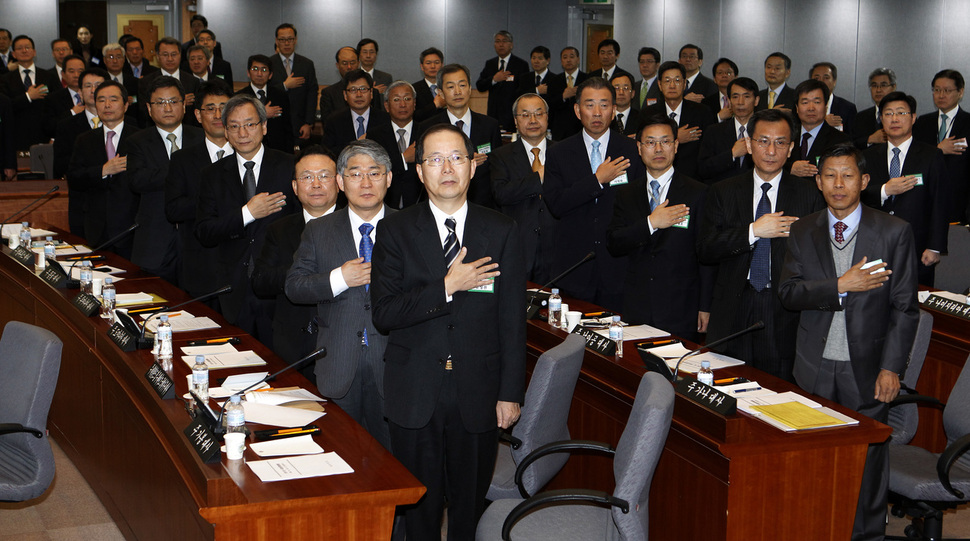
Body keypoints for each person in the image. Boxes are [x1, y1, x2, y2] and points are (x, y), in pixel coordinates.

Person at [371, 123, 524, 540]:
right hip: (415, 386)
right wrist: (446, 286)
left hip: (478, 389)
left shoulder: (501, 229)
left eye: (457, 157)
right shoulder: (396, 230)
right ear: (419, 172)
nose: (447, 168)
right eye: (435, 159)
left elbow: (512, 320)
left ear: (473, 166)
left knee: (468, 505)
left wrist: (510, 392)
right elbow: (384, 313)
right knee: (419, 507)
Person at [779, 143, 918, 541]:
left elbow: (905, 308)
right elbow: (788, 293)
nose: (839, 184)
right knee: (813, 459)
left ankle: (866, 535)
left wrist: (892, 368)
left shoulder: (894, 232)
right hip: (813, 364)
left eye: (848, 175)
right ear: (818, 182)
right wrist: (840, 285)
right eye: (830, 176)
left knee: (867, 463)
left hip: (869, 367)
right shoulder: (804, 229)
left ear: (865, 181)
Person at [698, 108, 824, 381]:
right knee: (725, 386)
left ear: (791, 148)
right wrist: (754, 231)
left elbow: (817, 259)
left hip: (781, 308)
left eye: (780, 143)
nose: (770, 150)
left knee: (776, 390)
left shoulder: (809, 195)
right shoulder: (723, 191)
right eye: (763, 141)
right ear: (749, 144)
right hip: (733, 305)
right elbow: (706, 248)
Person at [285, 140, 393, 448]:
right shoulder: (319, 230)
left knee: (391, 462)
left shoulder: (410, 226)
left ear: (389, 178)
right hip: (338, 365)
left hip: (394, 365)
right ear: (341, 182)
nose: (366, 182)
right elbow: (294, 286)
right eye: (356, 174)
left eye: (375, 173)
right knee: (340, 457)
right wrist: (338, 278)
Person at [195, 94, 296, 343]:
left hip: (279, 285)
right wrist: (247, 214)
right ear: (226, 132)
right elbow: (204, 232)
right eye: (234, 126)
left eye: (250, 124)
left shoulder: (290, 166)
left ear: (263, 126)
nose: (243, 133)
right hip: (232, 288)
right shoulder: (212, 175)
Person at [608, 114, 713, 341]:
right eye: (650, 142)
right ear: (639, 148)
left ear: (676, 146)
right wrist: (650, 223)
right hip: (637, 305)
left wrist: (705, 305)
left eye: (665, 141)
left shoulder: (697, 192)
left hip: (682, 307)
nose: (658, 149)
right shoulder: (626, 193)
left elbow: (706, 254)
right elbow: (614, 243)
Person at [544, 77, 645, 311]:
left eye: (604, 105)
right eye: (590, 105)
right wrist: (597, 180)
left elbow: (640, 208)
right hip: (574, 267)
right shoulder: (559, 152)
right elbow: (556, 204)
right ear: (578, 111)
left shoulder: (632, 151)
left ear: (614, 110)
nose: (597, 112)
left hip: (619, 268)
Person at [256, 145, 340, 376]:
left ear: (339, 182)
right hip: (292, 345)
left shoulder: (358, 226)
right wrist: (305, 273)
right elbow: (261, 281)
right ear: (295, 186)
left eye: (324, 176)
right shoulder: (279, 229)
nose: (315, 184)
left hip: (343, 345)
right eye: (306, 177)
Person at [861, 91, 948, 287]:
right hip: (874, 245)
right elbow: (857, 195)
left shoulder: (931, 155)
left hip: (917, 246)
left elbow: (940, 203)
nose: (895, 119)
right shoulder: (867, 156)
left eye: (901, 113)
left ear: (913, 118)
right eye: (888, 114)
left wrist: (935, 246)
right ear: (881, 119)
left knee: (913, 304)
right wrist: (885, 190)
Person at [127, 76, 203, 283]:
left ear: (184, 106)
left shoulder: (202, 138)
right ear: (149, 109)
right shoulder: (137, 142)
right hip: (155, 241)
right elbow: (137, 179)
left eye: (173, 101)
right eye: (160, 103)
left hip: (197, 239)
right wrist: (183, 171)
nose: (167, 108)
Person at [165, 82, 234, 303]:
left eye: (224, 107)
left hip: (241, 264)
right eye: (210, 108)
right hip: (201, 264)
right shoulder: (182, 159)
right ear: (197, 114)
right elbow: (173, 209)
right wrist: (213, 201)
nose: (217, 114)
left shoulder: (248, 155)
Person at [67, 80, 139, 258]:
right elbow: (74, 178)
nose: (107, 105)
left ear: (126, 105)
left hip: (132, 228)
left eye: (113, 99)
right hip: (96, 228)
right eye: (101, 100)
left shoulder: (140, 138)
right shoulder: (84, 140)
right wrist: (102, 171)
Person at [491, 93, 558, 283]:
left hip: (557, 246)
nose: (533, 120)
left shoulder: (564, 152)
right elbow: (502, 194)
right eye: (525, 115)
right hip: (518, 245)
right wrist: (539, 177)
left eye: (538, 113)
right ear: (515, 121)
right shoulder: (500, 156)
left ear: (547, 117)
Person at [416, 63, 501, 208]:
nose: (457, 91)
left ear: (469, 89)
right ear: (441, 93)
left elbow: (498, 169)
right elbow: (423, 169)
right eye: (450, 87)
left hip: (483, 204)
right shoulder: (428, 128)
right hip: (442, 203)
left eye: (462, 85)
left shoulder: (489, 125)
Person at [638, 61, 717, 179]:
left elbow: (710, 150)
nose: (672, 85)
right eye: (667, 81)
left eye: (677, 80)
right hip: (658, 177)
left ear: (685, 83)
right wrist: (676, 137)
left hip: (695, 179)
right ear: (659, 85)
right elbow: (642, 147)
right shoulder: (647, 114)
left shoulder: (703, 112)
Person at [913, 69, 970, 223]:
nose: (941, 95)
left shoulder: (968, 122)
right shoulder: (922, 123)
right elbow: (914, 158)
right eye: (937, 90)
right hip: (926, 200)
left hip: (959, 203)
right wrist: (938, 149)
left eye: (947, 90)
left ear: (960, 92)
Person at [368, 80, 424, 209]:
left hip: (419, 204)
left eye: (407, 99)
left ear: (414, 104)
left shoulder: (426, 133)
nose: (403, 104)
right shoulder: (375, 135)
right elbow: (375, 169)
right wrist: (403, 158)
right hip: (386, 203)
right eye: (396, 100)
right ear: (387, 106)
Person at [698, 76, 759, 184]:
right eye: (735, 97)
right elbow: (703, 169)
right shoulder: (714, 131)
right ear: (729, 101)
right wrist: (732, 154)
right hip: (723, 193)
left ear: (756, 100)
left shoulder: (763, 132)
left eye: (746, 97)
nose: (740, 102)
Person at [785, 79, 850, 179]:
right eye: (805, 102)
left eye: (817, 102)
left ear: (826, 106)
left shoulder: (840, 140)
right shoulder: (786, 135)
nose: (811, 108)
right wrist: (790, 168)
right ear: (797, 108)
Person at [0, 35, 57, 150]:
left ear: (34, 52)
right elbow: (5, 107)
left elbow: (56, 106)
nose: (24, 50)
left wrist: (54, 136)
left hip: (44, 135)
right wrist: (28, 97)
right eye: (20, 48)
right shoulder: (5, 79)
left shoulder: (49, 76)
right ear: (14, 54)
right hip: (16, 136)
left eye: (27, 47)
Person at [269, 24, 318, 142]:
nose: (286, 43)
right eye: (282, 39)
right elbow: (266, 91)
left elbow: (312, 94)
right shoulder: (269, 63)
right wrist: (284, 86)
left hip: (300, 124)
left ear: (295, 40)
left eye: (290, 39)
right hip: (275, 123)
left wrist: (309, 123)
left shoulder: (307, 64)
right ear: (276, 41)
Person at [322, 69, 388, 156]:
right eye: (353, 90)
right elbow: (328, 153)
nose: (359, 94)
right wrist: (356, 145)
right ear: (345, 95)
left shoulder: (385, 120)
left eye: (363, 89)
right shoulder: (334, 121)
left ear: (371, 93)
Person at [235, 54, 293, 153]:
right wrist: (262, 114)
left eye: (264, 70)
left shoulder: (280, 95)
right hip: (250, 149)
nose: (259, 73)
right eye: (255, 69)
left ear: (270, 75)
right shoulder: (239, 97)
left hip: (277, 149)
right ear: (248, 73)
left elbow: (287, 127)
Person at [475, 30, 529, 131]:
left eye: (504, 41)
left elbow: (524, 91)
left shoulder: (521, 64)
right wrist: (494, 79)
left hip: (512, 114)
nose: (501, 44)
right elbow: (480, 86)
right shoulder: (490, 63)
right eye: (498, 41)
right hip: (493, 114)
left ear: (511, 45)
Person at [546, 46, 588, 140]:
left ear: (578, 59)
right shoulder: (554, 80)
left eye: (572, 57)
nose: (568, 60)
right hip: (559, 129)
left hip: (581, 127)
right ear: (561, 61)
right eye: (565, 57)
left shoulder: (587, 79)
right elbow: (549, 104)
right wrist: (563, 96)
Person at [852, 68, 896, 150]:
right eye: (874, 86)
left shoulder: (901, 116)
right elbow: (852, 144)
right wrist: (870, 139)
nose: (878, 90)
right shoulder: (860, 117)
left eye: (883, 85)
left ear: (893, 87)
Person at [319, 46, 364, 123]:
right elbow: (328, 124)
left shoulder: (371, 91)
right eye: (344, 63)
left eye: (352, 63)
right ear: (337, 65)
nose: (349, 67)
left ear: (358, 64)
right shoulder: (329, 94)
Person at [810, 62, 858, 134]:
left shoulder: (847, 108)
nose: (821, 81)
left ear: (834, 81)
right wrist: (822, 122)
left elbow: (852, 139)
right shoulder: (803, 106)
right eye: (816, 78)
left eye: (826, 78)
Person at [412, 47, 445, 122]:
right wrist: (435, 105)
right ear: (422, 67)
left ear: (442, 65)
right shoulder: (413, 89)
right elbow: (413, 115)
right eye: (428, 63)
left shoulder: (448, 87)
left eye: (436, 62)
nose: (433, 66)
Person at [702, 57, 738, 122]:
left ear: (736, 77)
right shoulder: (706, 102)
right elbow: (703, 125)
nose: (724, 75)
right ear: (714, 79)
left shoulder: (742, 100)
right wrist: (719, 117)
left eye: (728, 73)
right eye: (720, 73)